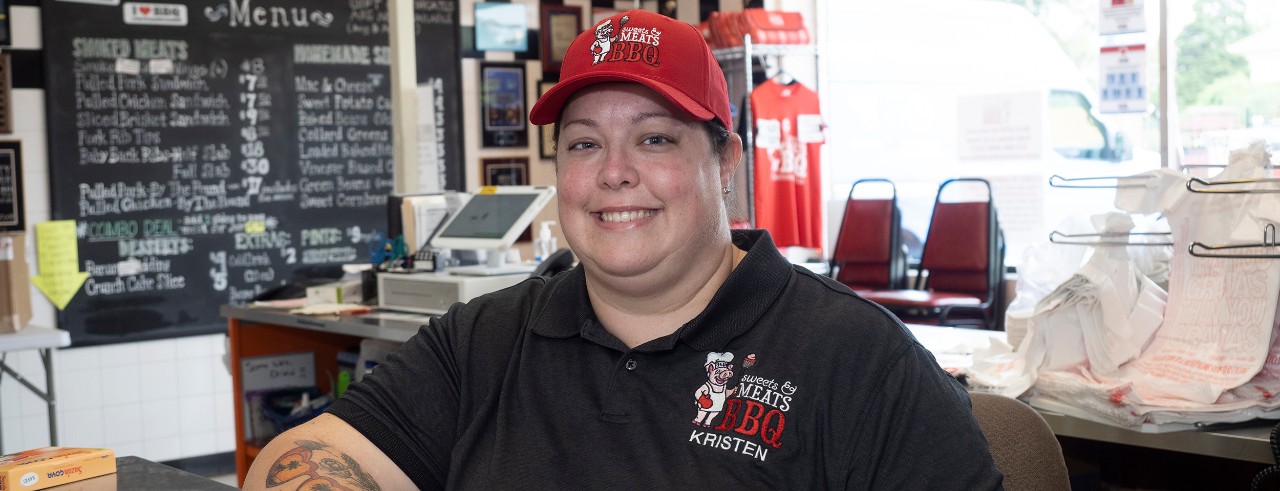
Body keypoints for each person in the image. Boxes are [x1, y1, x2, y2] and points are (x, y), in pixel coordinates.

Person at [245, 10, 1002, 490]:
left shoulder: (857, 358)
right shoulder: (482, 340)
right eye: (583, 143)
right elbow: (296, 457)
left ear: (725, 163)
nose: (614, 172)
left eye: (654, 137)